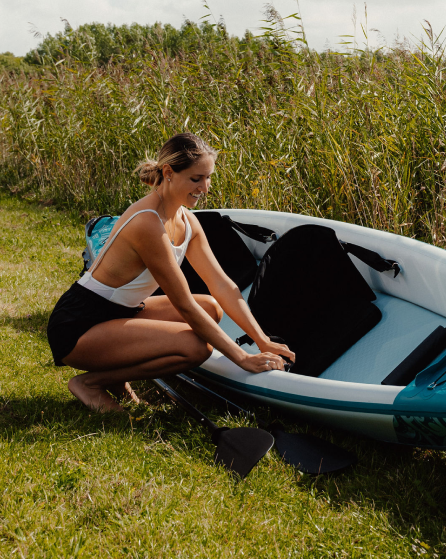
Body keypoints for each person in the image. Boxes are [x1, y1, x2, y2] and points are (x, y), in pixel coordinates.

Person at [46, 132, 295, 411]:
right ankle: (91, 382)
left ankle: (116, 376)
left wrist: (263, 340)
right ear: (168, 173)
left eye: (208, 177)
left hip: (124, 312)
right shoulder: (147, 223)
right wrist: (241, 357)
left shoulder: (187, 220)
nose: (205, 187)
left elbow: (223, 285)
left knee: (212, 308)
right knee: (196, 348)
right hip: (80, 326)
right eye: (196, 178)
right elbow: (185, 305)